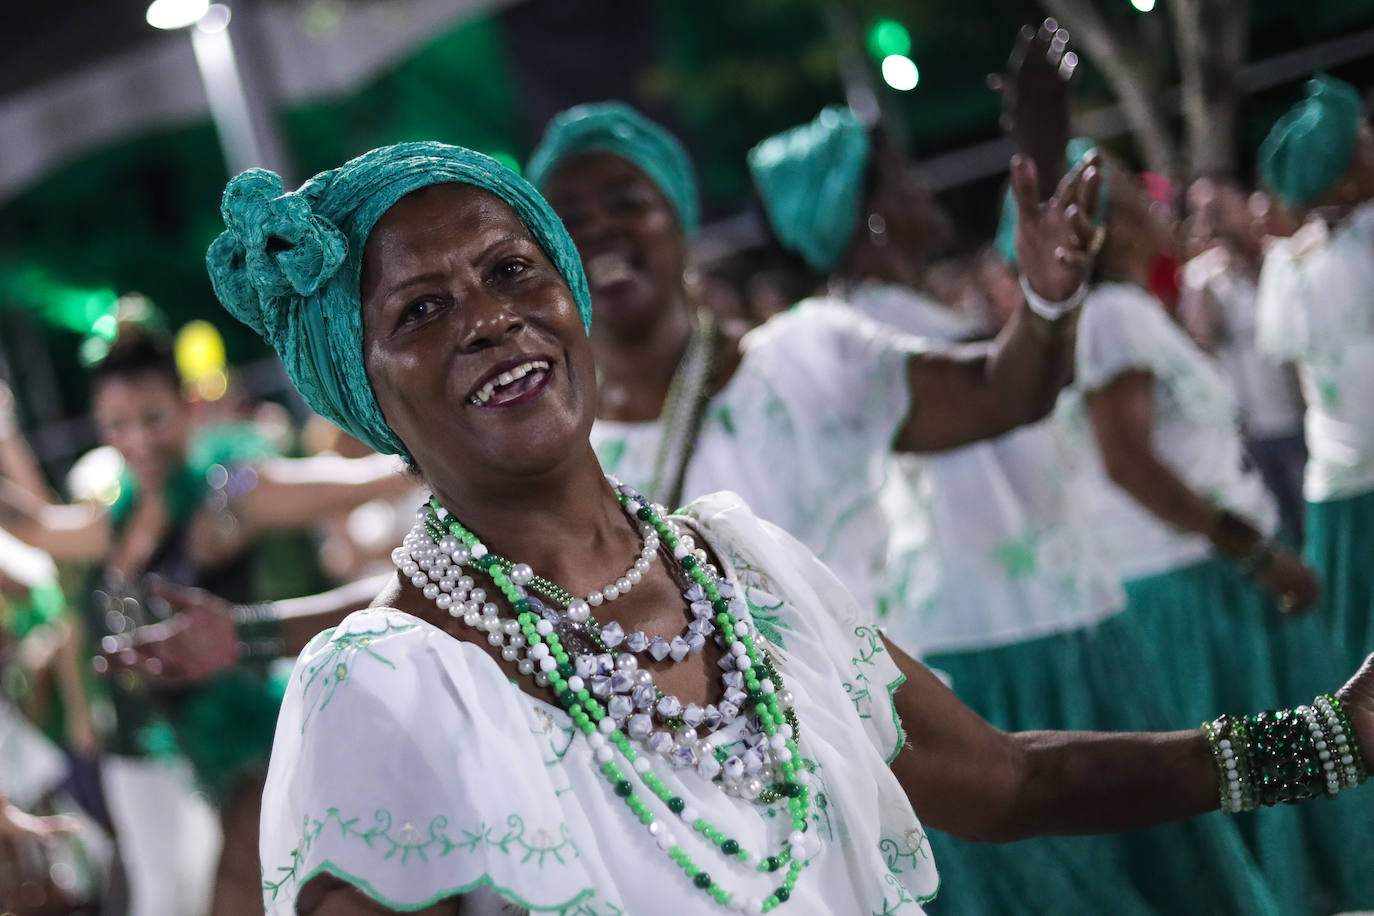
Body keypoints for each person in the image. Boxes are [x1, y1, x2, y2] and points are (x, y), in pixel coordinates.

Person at [200, 139, 1374, 915]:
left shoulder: (748, 573)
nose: (492, 320)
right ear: (364, 391)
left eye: (512, 268)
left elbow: (1010, 785)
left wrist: (1323, 740)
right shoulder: (386, 688)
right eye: (421, 306)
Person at [748, 107, 1277, 914]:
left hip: (1038, 624)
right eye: (900, 175)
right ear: (870, 211)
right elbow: (1019, 401)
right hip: (1014, 652)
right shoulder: (867, 348)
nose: (926, 187)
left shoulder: (917, 328)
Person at [0, 328, 410, 915]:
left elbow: (354, 485)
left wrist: (441, 452)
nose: (137, 440)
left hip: (241, 751)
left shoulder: (228, 494)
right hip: (148, 755)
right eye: (117, 424)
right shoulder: (114, 520)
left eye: (154, 418)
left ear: (188, 408)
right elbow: (37, 527)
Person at [1256, 74, 1374, 677]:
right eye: (1364, 141)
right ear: (1347, 174)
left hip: (1334, 489)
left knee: (1356, 666)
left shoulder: (1287, 266)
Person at [1179, 179, 1307, 540]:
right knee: (1283, 531)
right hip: (1253, 431)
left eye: (1218, 210)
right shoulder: (1203, 278)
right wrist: (1209, 274)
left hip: (1300, 415)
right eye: (1203, 214)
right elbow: (1200, 337)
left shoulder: (1281, 260)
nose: (1212, 222)